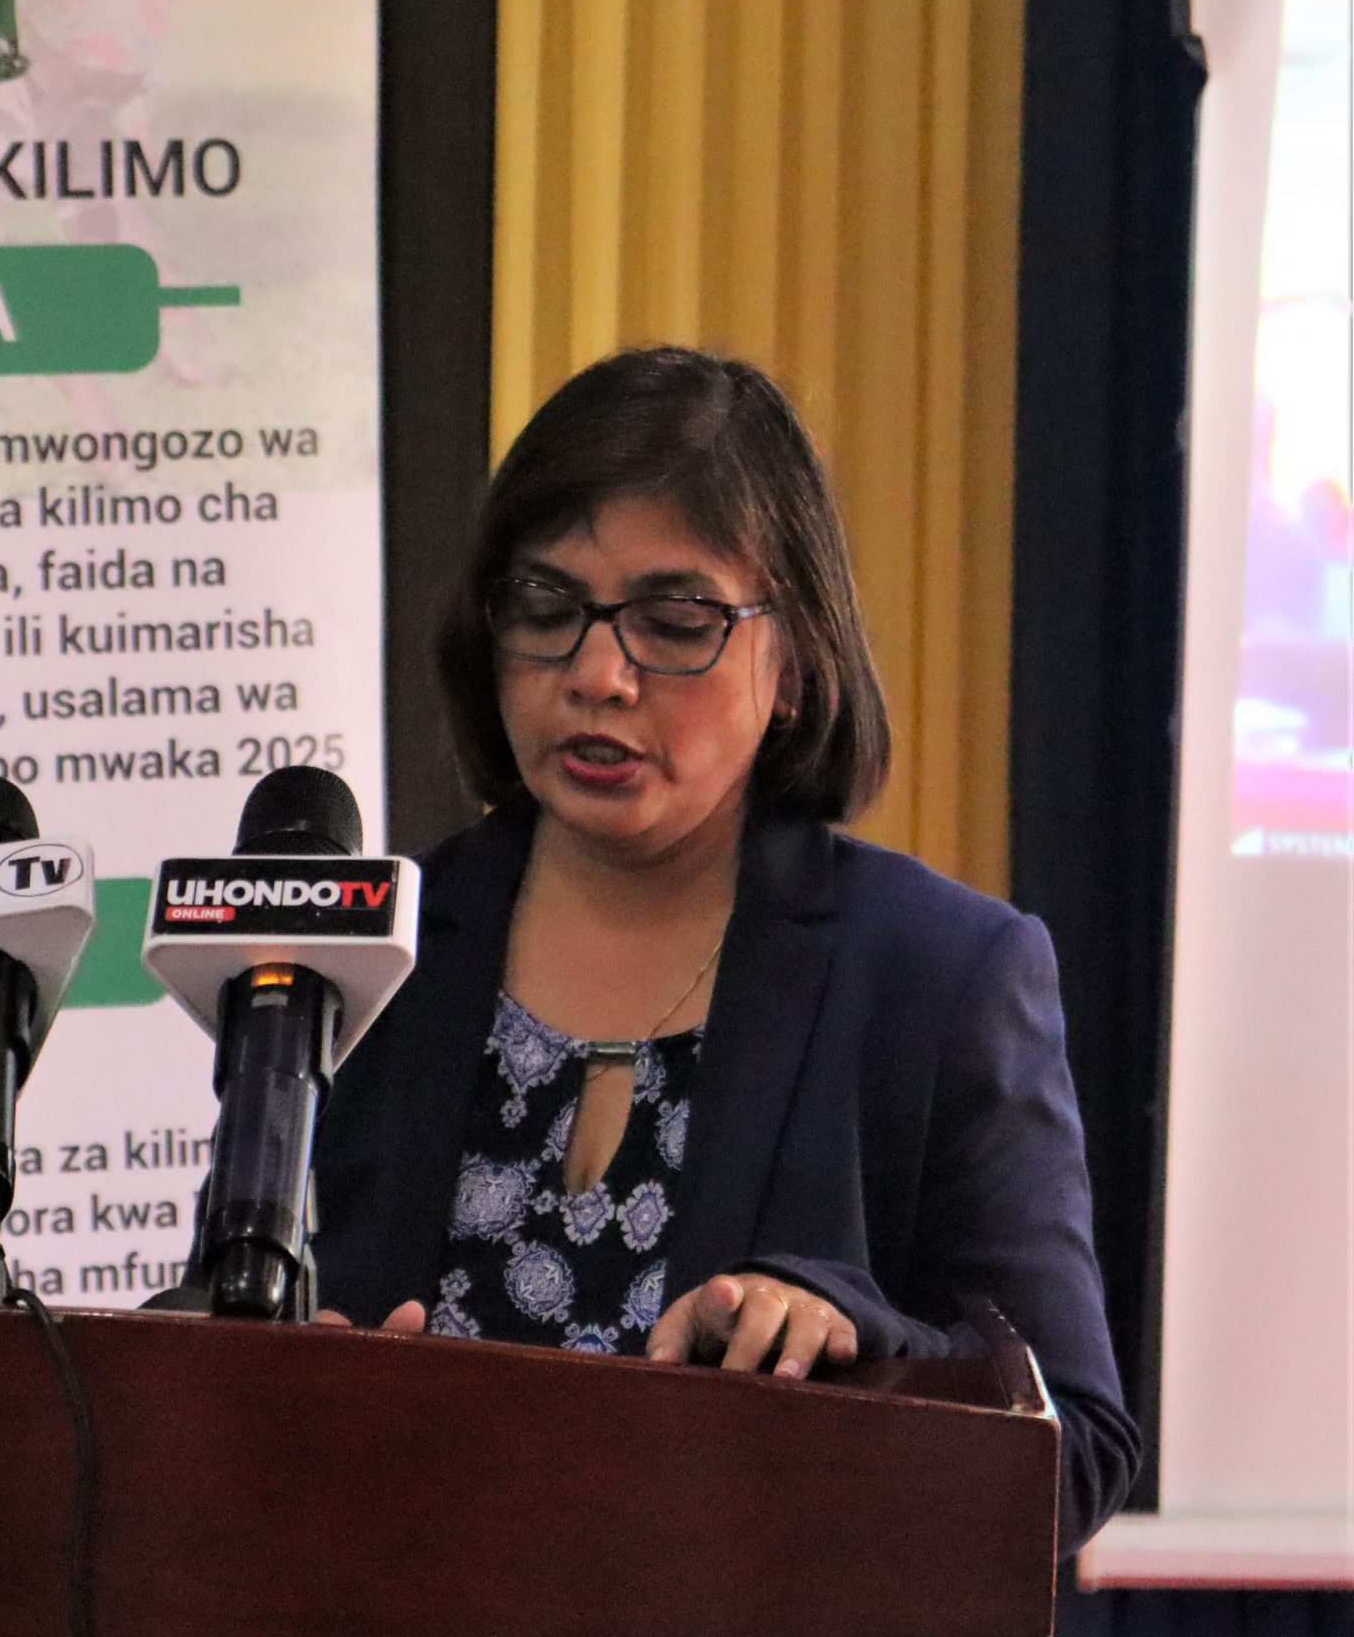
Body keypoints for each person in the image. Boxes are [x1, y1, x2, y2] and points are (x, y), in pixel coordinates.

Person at [311, 345, 1140, 1556]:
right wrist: (285, 1384)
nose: (597, 675)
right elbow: (231, 1352)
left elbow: (1075, 1455)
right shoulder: (373, 951)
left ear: (791, 658)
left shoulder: (937, 971)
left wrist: (854, 1342)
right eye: (545, 608)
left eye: (673, 623)